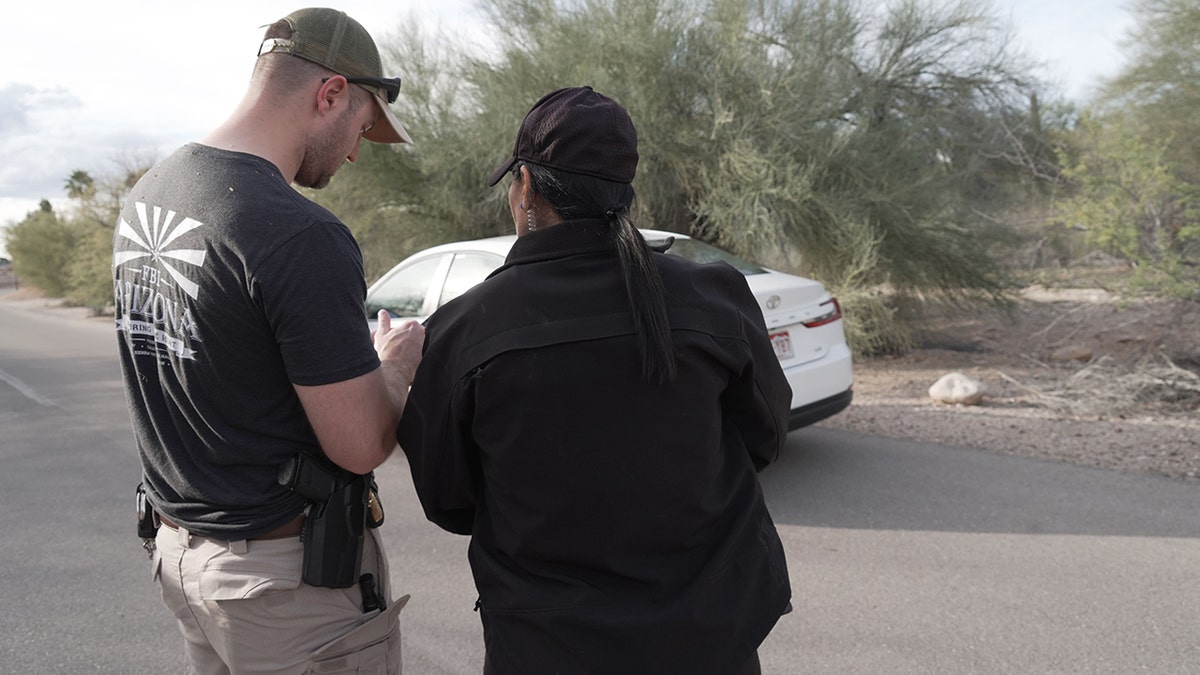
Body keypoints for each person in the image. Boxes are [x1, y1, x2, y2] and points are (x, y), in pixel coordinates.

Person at [396, 86, 793, 674]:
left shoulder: (461, 331)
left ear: (525, 187)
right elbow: (766, 434)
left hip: (548, 647)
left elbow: (449, 501)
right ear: (622, 190)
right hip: (710, 636)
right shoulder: (712, 296)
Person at [113, 8, 424, 673]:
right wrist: (394, 368)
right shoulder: (295, 233)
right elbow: (360, 441)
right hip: (282, 595)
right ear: (330, 93)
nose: (354, 151)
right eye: (363, 127)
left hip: (185, 563)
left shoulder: (150, 195)